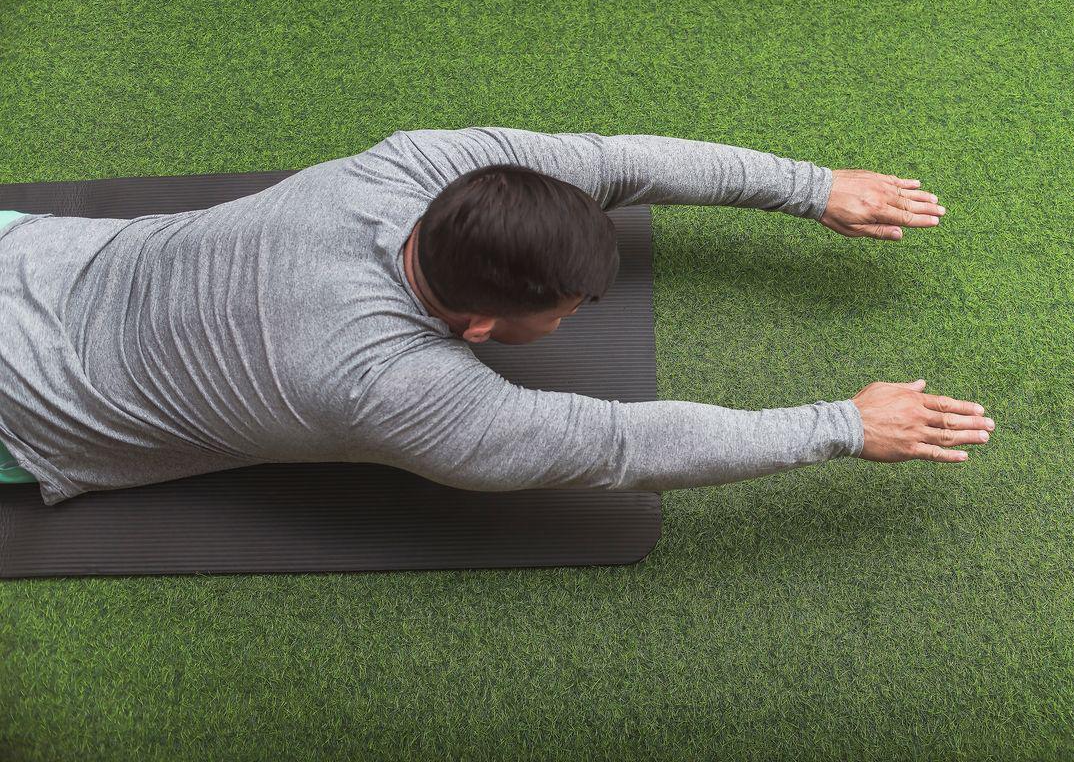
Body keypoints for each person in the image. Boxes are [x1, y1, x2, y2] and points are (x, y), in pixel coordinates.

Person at [0, 127, 993, 506]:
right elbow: (614, 443)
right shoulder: (389, 387)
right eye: (565, 310)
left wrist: (809, 185)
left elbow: (615, 159)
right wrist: (842, 426)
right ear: (478, 326)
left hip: (27, 254)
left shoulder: (415, 167)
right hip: (26, 406)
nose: (569, 319)